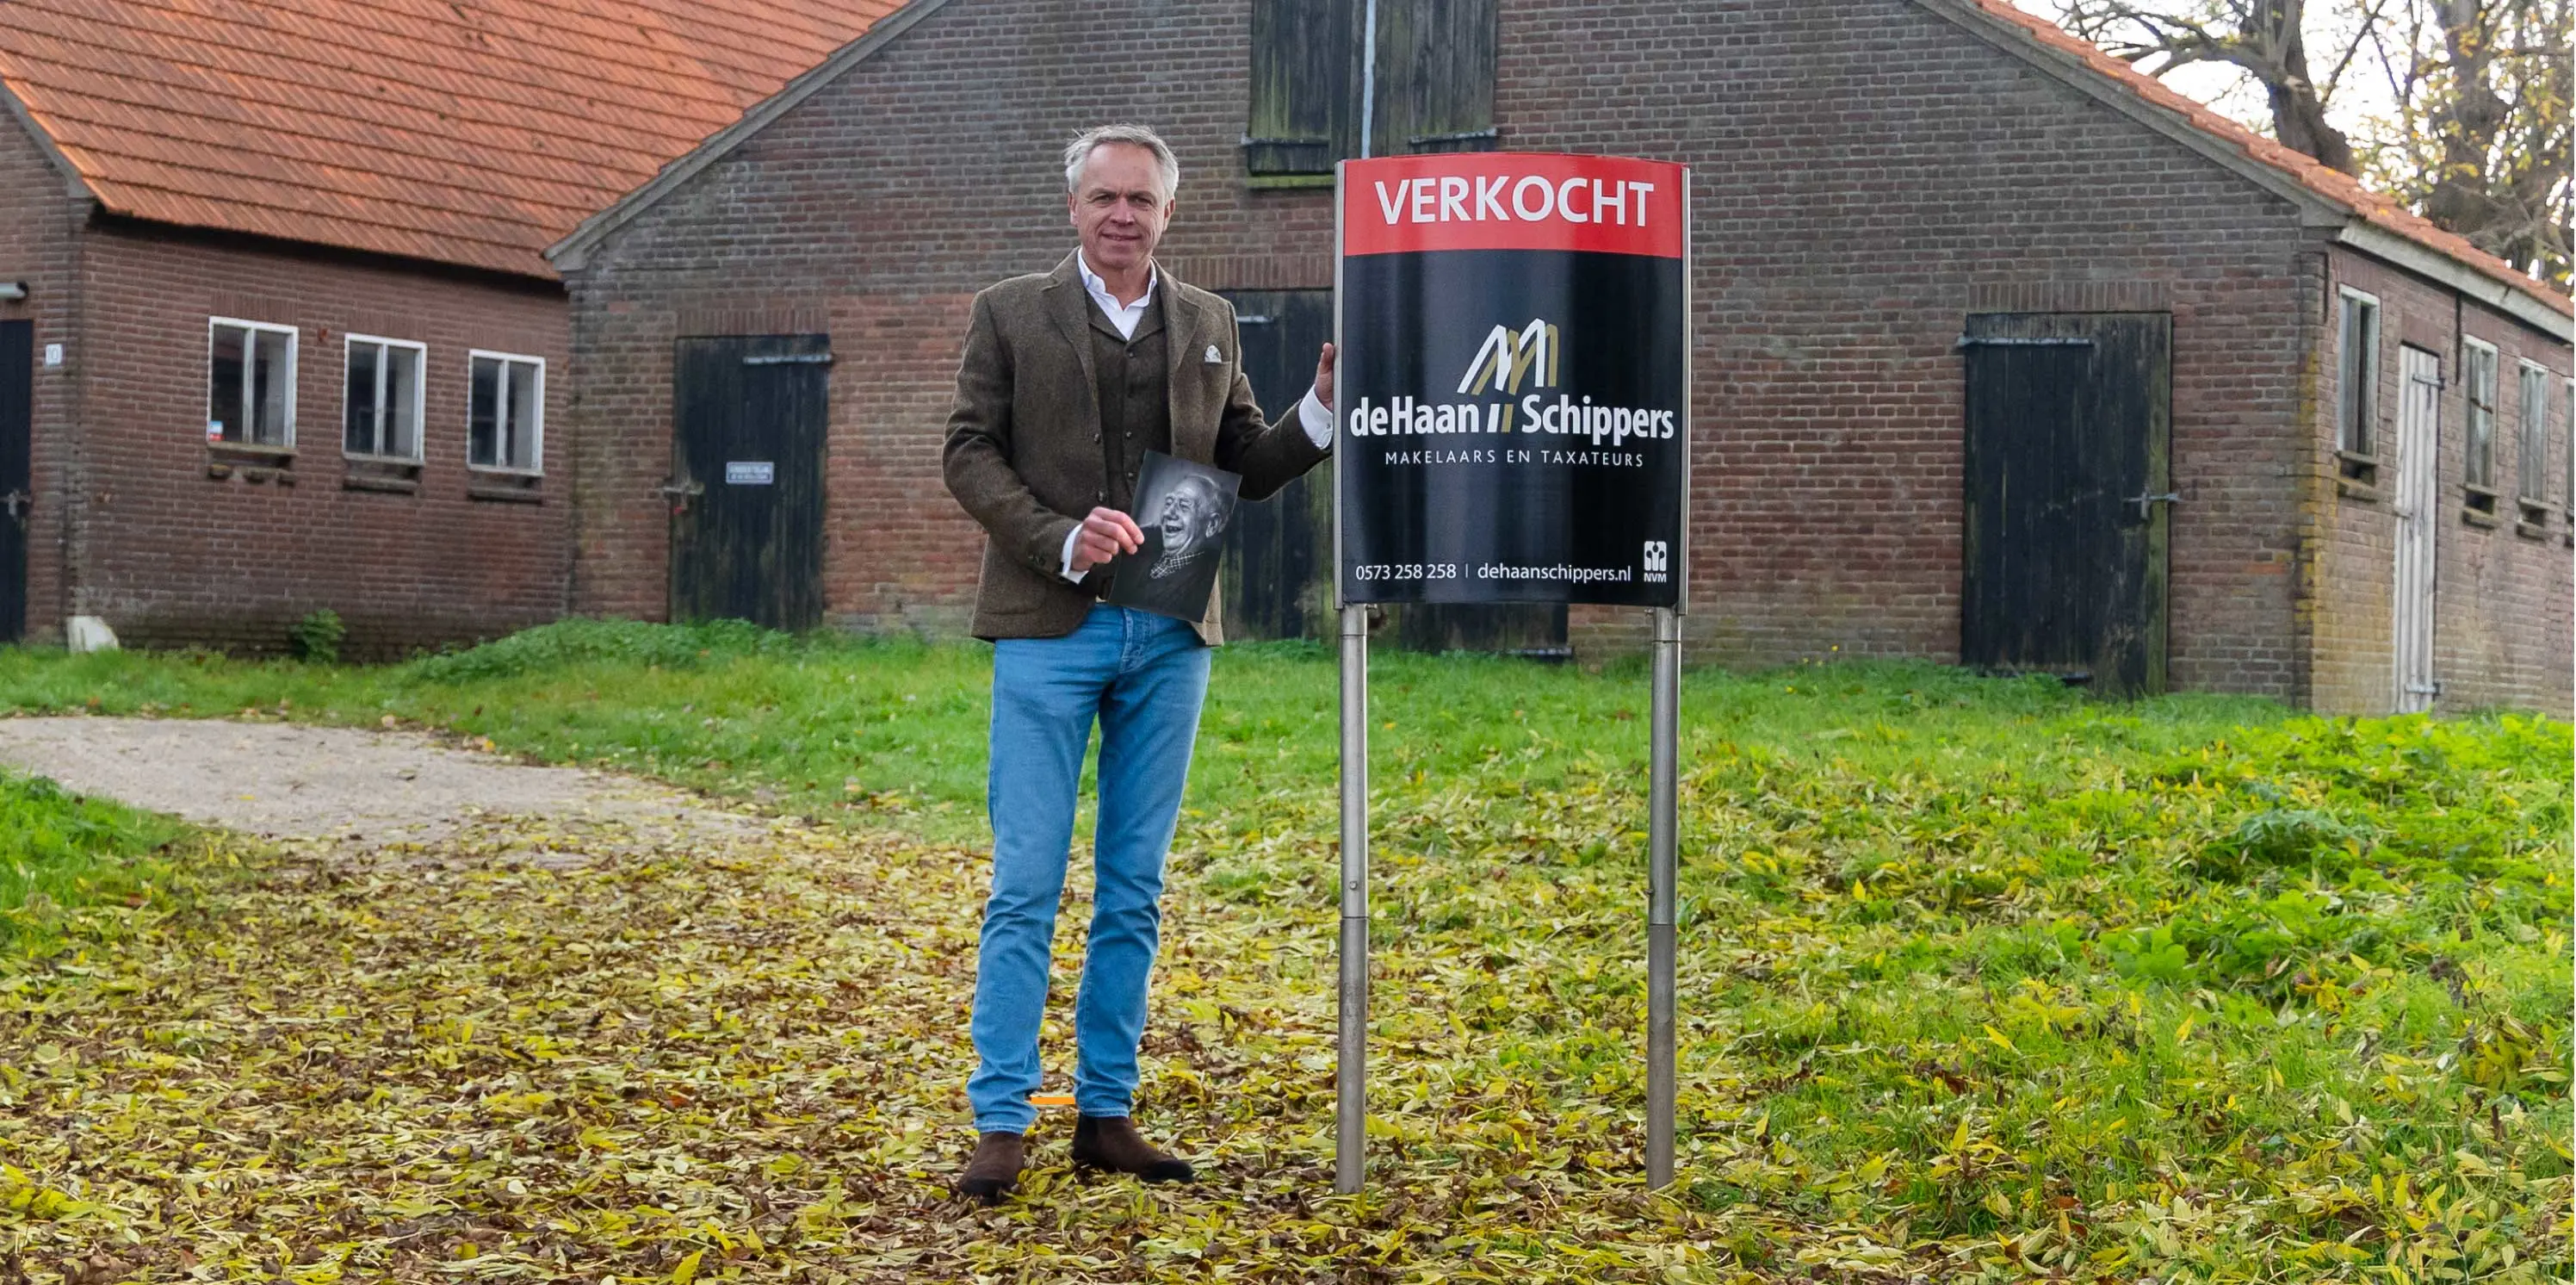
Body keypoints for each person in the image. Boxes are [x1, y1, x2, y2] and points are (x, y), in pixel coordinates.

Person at [940, 122, 1336, 1204]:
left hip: (1169, 633)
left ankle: (1105, 1113)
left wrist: (1322, 411)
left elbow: (1244, 465)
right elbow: (967, 450)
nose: (1123, 215)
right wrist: (1059, 535)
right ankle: (1003, 1119)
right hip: (1044, 626)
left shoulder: (1208, 320)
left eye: (1142, 201)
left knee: (1134, 887)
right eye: (1104, 197)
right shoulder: (1008, 313)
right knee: (1026, 883)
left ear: (1169, 212)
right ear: (1072, 206)